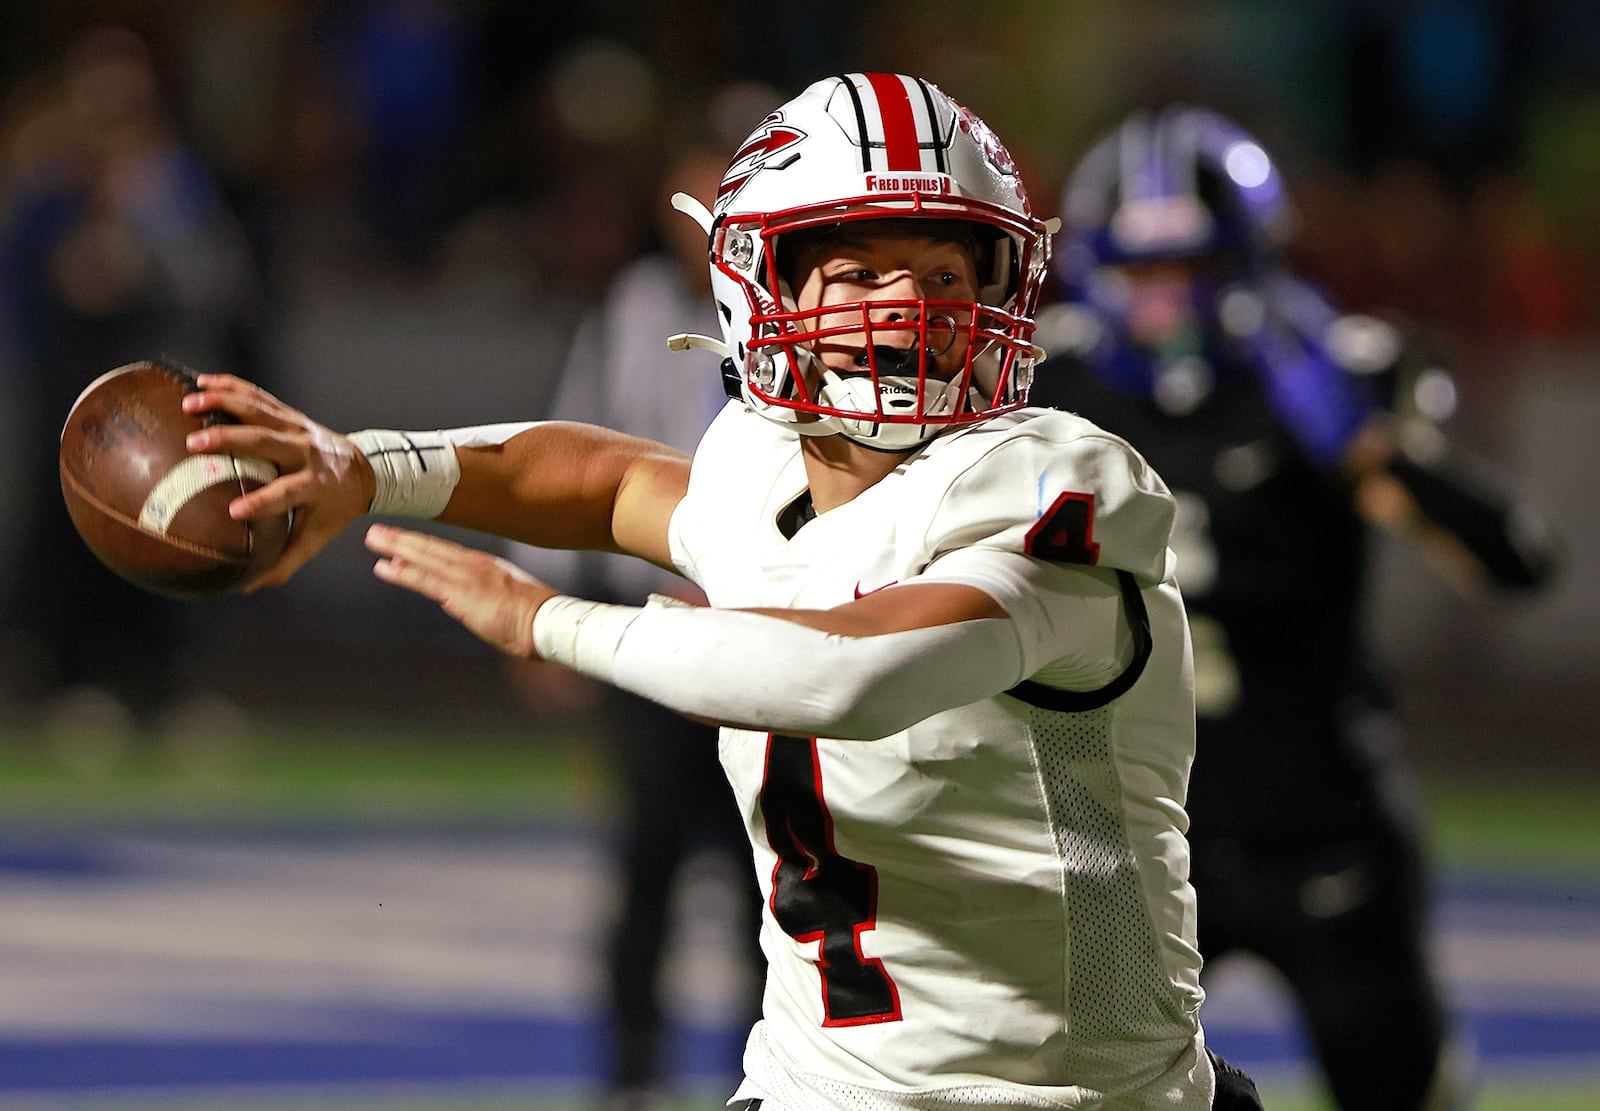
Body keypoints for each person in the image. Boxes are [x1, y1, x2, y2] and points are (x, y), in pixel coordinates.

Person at [178, 73, 1263, 1110]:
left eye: (943, 273)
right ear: (763, 286)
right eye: (860, 274)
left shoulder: (1047, 483)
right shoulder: (757, 464)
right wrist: (366, 467)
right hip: (814, 1086)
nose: (912, 310)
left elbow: (853, 668)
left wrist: (547, 620)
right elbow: (603, 482)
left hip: (1076, 1096)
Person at [1029, 104, 1561, 1110]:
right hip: (1129, 833)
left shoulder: (1331, 369)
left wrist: (1373, 450)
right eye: (1143, 271)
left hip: (1320, 820)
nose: (1167, 299)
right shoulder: (1048, 389)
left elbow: (1515, 559)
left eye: (1192, 266)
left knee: (1399, 1086)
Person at [501, 139, 766, 1110]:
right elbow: (567, 454)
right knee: (646, 857)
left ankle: (768, 1077)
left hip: (761, 633)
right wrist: (541, 602)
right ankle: (631, 1076)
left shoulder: (797, 321)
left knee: (767, 870)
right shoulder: (633, 311)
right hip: (647, 624)